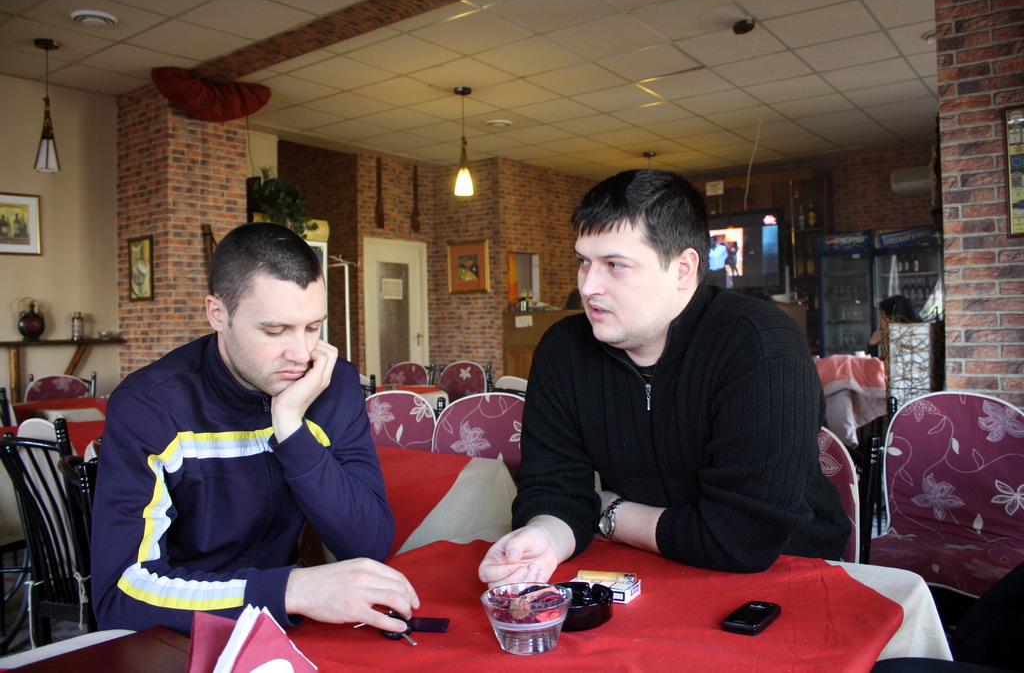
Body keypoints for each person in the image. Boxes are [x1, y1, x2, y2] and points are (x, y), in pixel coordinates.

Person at [479, 169, 848, 587]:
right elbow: (553, 488)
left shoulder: (761, 346)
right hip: (647, 561)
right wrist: (545, 537)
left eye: (614, 265)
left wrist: (609, 511)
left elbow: (742, 538)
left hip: (790, 570)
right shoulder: (563, 350)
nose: (588, 286)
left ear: (683, 269)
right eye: (583, 262)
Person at [91, 222, 418, 636]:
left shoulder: (331, 385)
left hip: (285, 629)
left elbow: (368, 544)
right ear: (217, 314)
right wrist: (288, 590)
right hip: (181, 637)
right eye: (275, 330)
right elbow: (119, 598)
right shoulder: (150, 406)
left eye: (313, 327)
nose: (301, 354)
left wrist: (291, 428)